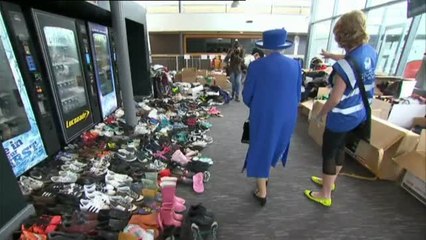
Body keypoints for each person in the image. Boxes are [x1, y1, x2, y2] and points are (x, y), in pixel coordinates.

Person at [304, 10, 377, 207]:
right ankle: (331, 181)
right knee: (340, 147)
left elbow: (335, 98)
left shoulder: (343, 67)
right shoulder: (369, 51)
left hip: (341, 116)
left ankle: (325, 193)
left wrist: (320, 114)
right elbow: (352, 60)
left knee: (329, 152)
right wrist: (331, 56)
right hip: (359, 113)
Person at [242, 28, 301, 206]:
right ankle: (265, 177)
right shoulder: (295, 65)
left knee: (261, 147)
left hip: (264, 114)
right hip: (288, 115)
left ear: (265, 47)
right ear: (284, 46)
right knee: (275, 144)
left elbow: (246, 96)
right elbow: (298, 95)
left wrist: (259, 104)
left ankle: (262, 192)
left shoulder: (256, 66)